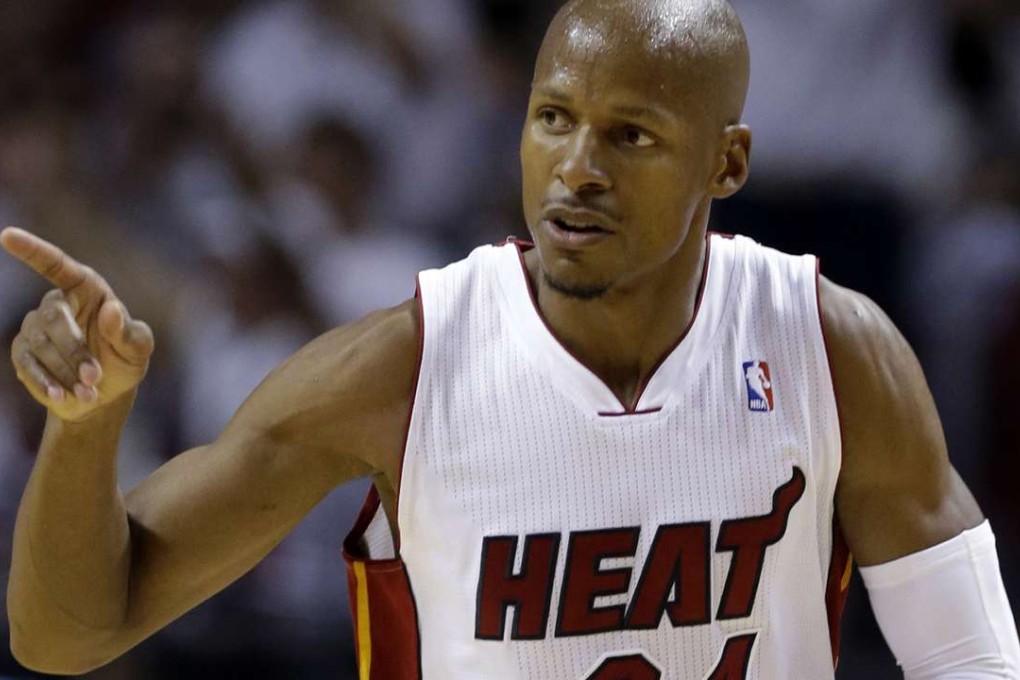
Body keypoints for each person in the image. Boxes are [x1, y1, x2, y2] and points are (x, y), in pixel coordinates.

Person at [4, 0, 1019, 677]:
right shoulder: (403, 366)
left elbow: (972, 656)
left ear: (727, 161)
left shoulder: (831, 351)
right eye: (552, 118)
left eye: (630, 134)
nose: (576, 166)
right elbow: (66, 632)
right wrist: (85, 426)